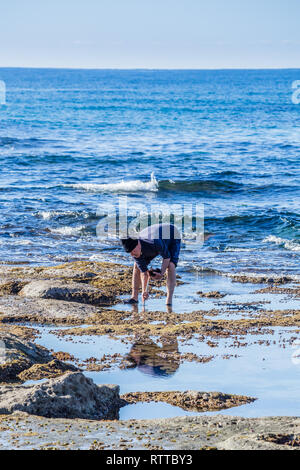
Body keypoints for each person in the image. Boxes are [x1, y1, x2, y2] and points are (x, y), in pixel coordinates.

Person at [121, 223, 181, 306]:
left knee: (170, 265)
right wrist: (144, 291)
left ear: (138, 244)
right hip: (153, 241)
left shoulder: (155, 241)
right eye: (129, 252)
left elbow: (166, 258)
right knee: (136, 265)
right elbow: (144, 272)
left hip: (172, 234)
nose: (132, 254)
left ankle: (169, 301)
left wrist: (161, 273)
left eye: (133, 251)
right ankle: (134, 298)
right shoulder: (134, 251)